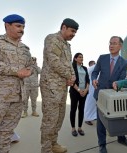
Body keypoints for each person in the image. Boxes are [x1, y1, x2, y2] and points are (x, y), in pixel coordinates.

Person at [0, 14, 32, 153]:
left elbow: (30, 67)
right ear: (7, 25)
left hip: (17, 98)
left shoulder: (25, 49)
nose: (21, 29)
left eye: (23, 27)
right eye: (18, 26)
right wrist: (16, 71)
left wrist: (29, 70)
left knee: (6, 134)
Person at [40, 18, 78, 153]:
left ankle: (53, 144)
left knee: (59, 118)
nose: (73, 34)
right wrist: (69, 76)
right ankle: (46, 149)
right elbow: (54, 61)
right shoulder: (52, 39)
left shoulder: (67, 46)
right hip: (51, 86)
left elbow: (68, 64)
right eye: (72, 31)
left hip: (62, 86)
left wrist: (72, 77)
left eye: (75, 32)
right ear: (63, 27)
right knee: (50, 119)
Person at [91, 36, 127, 153]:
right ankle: (102, 144)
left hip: (115, 96)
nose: (111, 45)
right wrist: (94, 79)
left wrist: (118, 84)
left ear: (120, 46)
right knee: (101, 121)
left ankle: (121, 138)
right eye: (110, 43)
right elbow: (95, 72)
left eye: (114, 43)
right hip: (100, 94)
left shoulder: (123, 62)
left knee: (119, 118)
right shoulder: (102, 58)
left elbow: (122, 79)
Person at [69, 53, 89, 136]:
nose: (82, 58)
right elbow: (71, 80)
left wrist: (86, 90)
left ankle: (80, 128)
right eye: (80, 57)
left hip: (84, 92)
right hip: (75, 91)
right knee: (73, 109)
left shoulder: (85, 68)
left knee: (81, 109)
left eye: (82, 57)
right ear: (75, 58)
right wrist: (79, 90)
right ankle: (73, 128)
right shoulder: (72, 68)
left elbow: (88, 80)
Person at [84, 60, 97, 126]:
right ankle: (87, 119)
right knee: (89, 104)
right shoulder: (89, 70)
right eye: (93, 64)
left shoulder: (95, 71)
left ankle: (93, 116)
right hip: (90, 90)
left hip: (95, 89)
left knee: (94, 104)